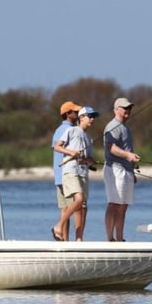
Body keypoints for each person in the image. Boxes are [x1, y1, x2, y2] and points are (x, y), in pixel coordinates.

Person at [56, 106, 99, 241]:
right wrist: (71, 152)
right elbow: (57, 147)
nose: (92, 119)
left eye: (93, 117)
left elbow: (87, 159)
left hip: (83, 173)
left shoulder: (89, 138)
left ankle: (79, 239)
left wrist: (90, 160)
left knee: (83, 206)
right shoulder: (72, 130)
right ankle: (58, 226)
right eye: (90, 116)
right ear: (81, 117)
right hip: (71, 171)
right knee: (78, 199)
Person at [103, 97, 141, 241]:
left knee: (123, 205)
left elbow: (126, 149)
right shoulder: (112, 126)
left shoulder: (125, 128)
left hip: (127, 171)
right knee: (114, 203)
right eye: (125, 108)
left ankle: (119, 238)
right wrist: (128, 155)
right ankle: (110, 238)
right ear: (116, 109)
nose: (128, 110)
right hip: (115, 169)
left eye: (129, 108)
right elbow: (111, 147)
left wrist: (132, 170)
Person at [51, 101, 81, 241]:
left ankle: (64, 240)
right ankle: (68, 239)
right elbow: (58, 148)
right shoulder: (69, 130)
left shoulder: (59, 129)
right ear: (68, 114)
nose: (78, 114)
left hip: (59, 176)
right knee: (71, 209)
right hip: (66, 175)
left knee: (64, 209)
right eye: (75, 112)